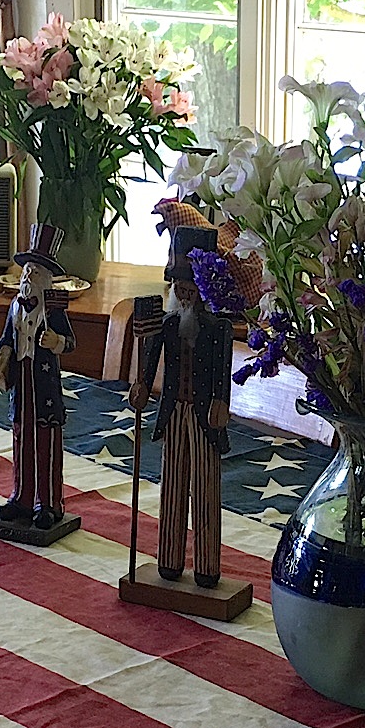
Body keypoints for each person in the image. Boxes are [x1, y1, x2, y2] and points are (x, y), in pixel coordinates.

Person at [149, 225, 235, 587]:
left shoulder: (219, 329)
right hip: (174, 413)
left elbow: (223, 373)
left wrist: (221, 404)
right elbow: (150, 361)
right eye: (178, 283)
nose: (183, 290)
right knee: (171, 486)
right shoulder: (167, 325)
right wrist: (140, 384)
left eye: (189, 282)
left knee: (205, 488)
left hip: (205, 416)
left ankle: (207, 567)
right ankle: (168, 559)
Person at [0, 224, 76, 531]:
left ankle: (48, 502)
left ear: (46, 279)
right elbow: (6, 339)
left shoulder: (53, 311)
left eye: (35, 273)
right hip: (21, 384)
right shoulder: (14, 307)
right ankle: (22, 497)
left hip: (44, 386)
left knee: (46, 443)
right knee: (22, 439)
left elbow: (71, 341)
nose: (28, 278)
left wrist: (57, 342)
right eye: (26, 272)